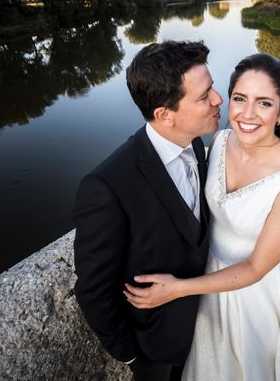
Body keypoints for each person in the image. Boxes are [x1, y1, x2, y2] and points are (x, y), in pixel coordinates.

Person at [125, 53, 280, 380]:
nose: (247, 114)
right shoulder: (222, 140)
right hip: (208, 285)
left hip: (255, 302)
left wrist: (178, 289)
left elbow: (255, 267)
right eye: (240, 99)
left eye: (264, 103)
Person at [72, 40, 223, 381]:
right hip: (159, 354)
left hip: (210, 329)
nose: (218, 99)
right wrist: (132, 356)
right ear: (164, 115)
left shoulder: (196, 144)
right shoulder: (107, 187)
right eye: (204, 96)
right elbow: (93, 292)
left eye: (211, 87)